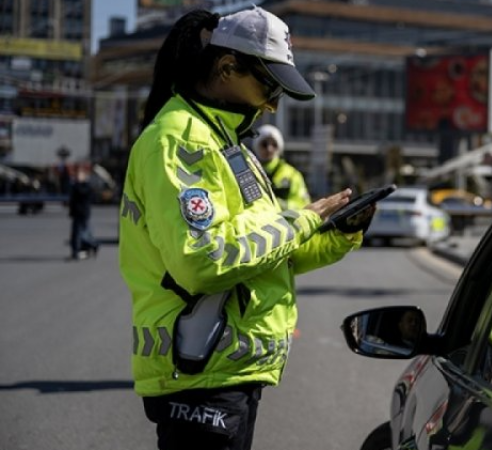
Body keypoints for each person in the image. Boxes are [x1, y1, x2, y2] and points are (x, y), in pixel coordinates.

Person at [118, 7, 375, 450]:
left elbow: (270, 254)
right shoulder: (182, 139)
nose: (273, 103)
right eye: (269, 86)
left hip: (225, 370)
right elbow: (204, 261)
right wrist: (301, 221)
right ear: (226, 67)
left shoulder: (227, 142)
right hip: (200, 370)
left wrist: (339, 233)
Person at [253, 124, 311, 210]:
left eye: (274, 144)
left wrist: (280, 205)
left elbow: (304, 206)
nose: (269, 149)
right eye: (264, 144)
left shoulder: (292, 175)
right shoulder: (249, 171)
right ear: (256, 146)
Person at [68, 165, 98, 260]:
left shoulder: (86, 186)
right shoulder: (75, 186)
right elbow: (73, 201)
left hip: (83, 213)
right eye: (76, 175)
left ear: (84, 176)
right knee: (78, 233)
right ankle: (77, 251)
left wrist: (77, 184)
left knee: (81, 234)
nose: (77, 177)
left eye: (79, 175)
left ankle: (91, 246)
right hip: (76, 213)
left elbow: (83, 194)